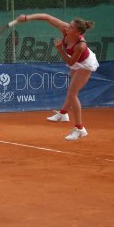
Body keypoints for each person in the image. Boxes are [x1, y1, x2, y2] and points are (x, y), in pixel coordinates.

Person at [16, 13, 99, 141]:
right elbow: (46, 17)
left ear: (78, 33)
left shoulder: (80, 45)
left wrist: (60, 49)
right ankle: (63, 114)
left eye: (71, 28)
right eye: (69, 25)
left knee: (72, 94)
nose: (67, 28)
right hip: (76, 61)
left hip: (85, 64)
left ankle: (80, 129)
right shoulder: (65, 29)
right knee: (71, 90)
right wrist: (27, 18)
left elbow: (71, 62)